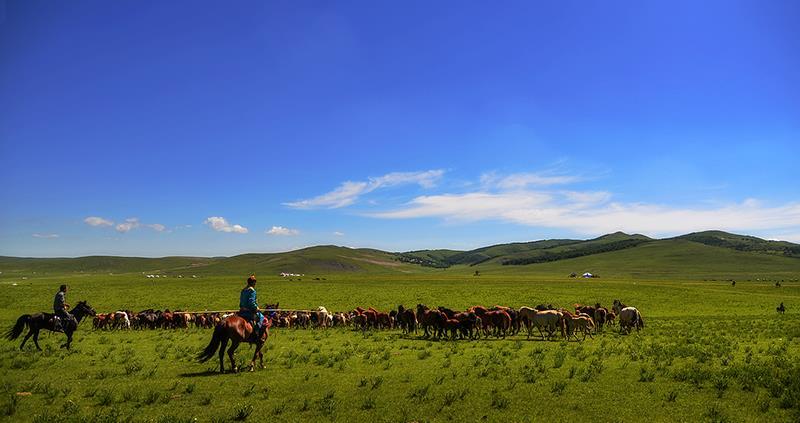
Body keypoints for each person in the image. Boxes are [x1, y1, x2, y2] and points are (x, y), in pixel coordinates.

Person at [239, 275, 264, 341]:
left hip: (242, 311)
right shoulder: (252, 291)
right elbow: (251, 302)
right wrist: (256, 308)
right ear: (253, 283)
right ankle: (257, 335)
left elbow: (241, 301)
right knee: (261, 318)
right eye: (255, 282)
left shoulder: (243, 290)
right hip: (249, 311)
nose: (255, 284)